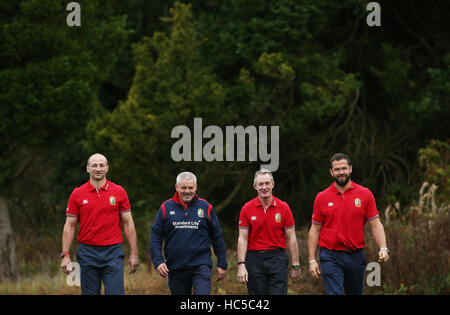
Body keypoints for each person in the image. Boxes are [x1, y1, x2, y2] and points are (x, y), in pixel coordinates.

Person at [308, 153, 389, 295]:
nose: (341, 172)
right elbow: (315, 230)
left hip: (355, 255)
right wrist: (312, 259)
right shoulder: (322, 197)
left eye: (344, 168)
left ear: (350, 169)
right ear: (331, 172)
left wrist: (383, 247)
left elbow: (375, 224)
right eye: (337, 169)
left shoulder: (365, 194)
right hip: (330, 255)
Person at [61, 153, 139, 295]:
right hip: (87, 253)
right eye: (94, 165)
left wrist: (134, 253)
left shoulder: (119, 192)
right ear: (87, 169)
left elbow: (128, 223)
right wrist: (65, 255)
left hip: (113, 252)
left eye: (101, 165)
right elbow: (70, 226)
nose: (98, 168)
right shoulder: (77, 193)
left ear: (107, 168)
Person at [150, 171, 228, 295]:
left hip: (201, 266)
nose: (187, 191)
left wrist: (222, 263)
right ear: (177, 187)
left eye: (190, 187)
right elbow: (156, 236)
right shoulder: (166, 207)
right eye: (183, 188)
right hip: (175, 267)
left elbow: (217, 237)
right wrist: (158, 261)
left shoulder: (205, 207)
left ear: (196, 187)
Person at [237, 169, 302, 295]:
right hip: (254, 259)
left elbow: (291, 237)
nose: (264, 187)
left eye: (267, 183)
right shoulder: (247, 208)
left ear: (273, 184)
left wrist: (295, 264)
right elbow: (242, 238)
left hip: (277, 258)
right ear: (255, 186)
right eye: (260, 184)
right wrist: (241, 264)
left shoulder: (283, 207)